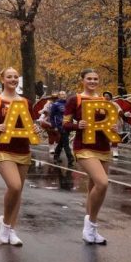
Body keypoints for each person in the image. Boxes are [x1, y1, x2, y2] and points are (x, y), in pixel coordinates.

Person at [63, 68, 119, 244]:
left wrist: (113, 128)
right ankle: (91, 225)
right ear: (82, 80)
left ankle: (91, 230)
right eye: (89, 78)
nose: (93, 81)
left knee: (94, 187)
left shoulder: (104, 101)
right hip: (84, 147)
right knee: (103, 183)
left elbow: (108, 123)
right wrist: (77, 125)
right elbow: (65, 124)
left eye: (95, 79)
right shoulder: (75, 100)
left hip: (103, 147)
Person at [0, 68, 31, 245]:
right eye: (9, 77)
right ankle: (4, 223)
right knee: (14, 186)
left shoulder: (26, 102)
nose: (13, 79)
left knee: (18, 192)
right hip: (2, 148)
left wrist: (37, 129)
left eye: (16, 77)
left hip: (23, 149)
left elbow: (31, 125)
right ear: (2, 79)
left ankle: (11, 229)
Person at [49, 92, 72, 165]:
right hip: (60, 125)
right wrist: (54, 126)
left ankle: (56, 156)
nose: (64, 95)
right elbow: (51, 116)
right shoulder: (55, 105)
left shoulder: (68, 104)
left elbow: (71, 114)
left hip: (68, 125)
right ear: (58, 96)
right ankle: (70, 159)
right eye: (62, 94)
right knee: (66, 142)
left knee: (62, 142)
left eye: (65, 94)